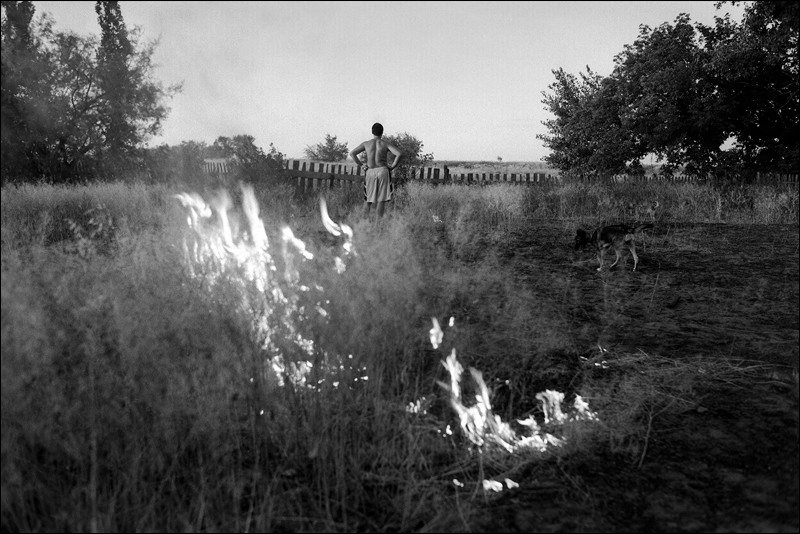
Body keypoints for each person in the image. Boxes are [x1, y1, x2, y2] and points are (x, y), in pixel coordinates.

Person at [349, 123, 403, 219]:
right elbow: (399, 154)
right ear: (382, 132)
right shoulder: (385, 144)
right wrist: (393, 166)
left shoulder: (366, 144)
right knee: (381, 200)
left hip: (370, 171)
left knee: (368, 200)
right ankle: (377, 226)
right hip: (382, 171)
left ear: (372, 132)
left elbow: (352, 153)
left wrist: (361, 165)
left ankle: (364, 226)